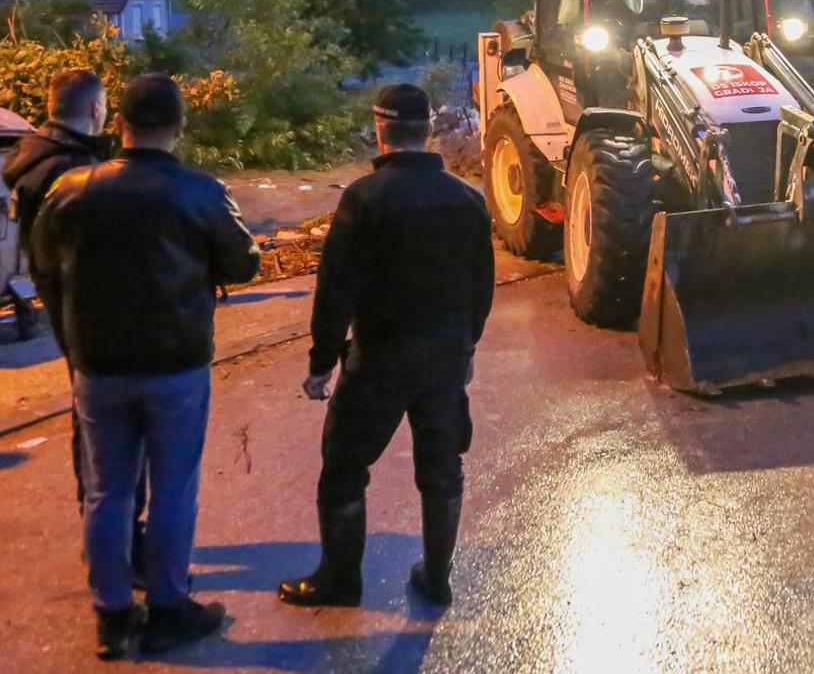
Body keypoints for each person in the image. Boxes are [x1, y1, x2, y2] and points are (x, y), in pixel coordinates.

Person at [31, 73, 261, 659]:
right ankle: (167, 608)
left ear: (119, 124)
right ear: (180, 127)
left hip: (98, 366)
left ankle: (111, 614)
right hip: (175, 364)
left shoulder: (72, 189)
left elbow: (44, 267)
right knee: (173, 489)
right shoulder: (201, 192)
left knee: (107, 492)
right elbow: (242, 264)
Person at [279, 84, 494, 609]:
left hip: (379, 356)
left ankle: (339, 580)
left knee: (346, 467)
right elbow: (481, 288)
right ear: (428, 131)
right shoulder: (467, 200)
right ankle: (438, 576)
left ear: (380, 129)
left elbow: (337, 287)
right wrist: (465, 348)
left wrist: (322, 361)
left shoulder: (364, 199)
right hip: (443, 356)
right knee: (442, 467)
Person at [3, 70, 146, 559]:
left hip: (67, 307)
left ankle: (102, 529)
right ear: (94, 110)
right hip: (92, 314)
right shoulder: (71, 172)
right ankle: (116, 544)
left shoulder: (33, 159)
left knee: (91, 421)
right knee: (112, 435)